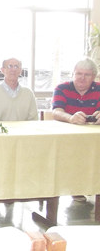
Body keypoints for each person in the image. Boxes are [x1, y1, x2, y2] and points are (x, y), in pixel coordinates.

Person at [52, 56, 100, 203]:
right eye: (79, 73)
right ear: (72, 74)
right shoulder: (62, 88)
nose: (82, 78)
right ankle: (75, 187)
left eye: (87, 75)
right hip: (68, 138)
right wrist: (70, 118)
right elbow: (56, 111)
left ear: (94, 76)